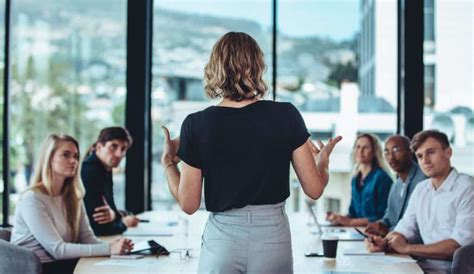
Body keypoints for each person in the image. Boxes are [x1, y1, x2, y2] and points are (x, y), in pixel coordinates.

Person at [161, 32, 341, 274]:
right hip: (272, 234)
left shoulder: (196, 124)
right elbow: (314, 189)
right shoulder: (286, 115)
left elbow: (189, 203)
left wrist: (168, 164)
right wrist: (323, 164)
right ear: (258, 66)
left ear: (215, 68)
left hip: (222, 238)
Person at [10, 134, 133, 274]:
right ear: (49, 158)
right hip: (38, 269)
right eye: (66, 155)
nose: (73, 161)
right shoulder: (32, 199)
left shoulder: (73, 197)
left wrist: (116, 247)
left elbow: (87, 238)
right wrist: (109, 249)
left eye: (76, 156)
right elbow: (57, 250)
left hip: (63, 265)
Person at [366, 130, 474, 274]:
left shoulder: (466, 188)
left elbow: (458, 246)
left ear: (448, 152)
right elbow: (403, 229)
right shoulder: (421, 189)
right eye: (420, 156)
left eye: (431, 152)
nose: (425, 161)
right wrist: (384, 242)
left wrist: (407, 248)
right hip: (418, 268)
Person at [82, 127, 140, 236]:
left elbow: (110, 210)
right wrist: (124, 223)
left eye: (123, 149)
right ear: (99, 146)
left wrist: (116, 215)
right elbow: (99, 226)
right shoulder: (90, 171)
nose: (119, 154)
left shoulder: (104, 169)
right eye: (113, 146)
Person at [365, 135, 427, 236]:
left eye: (396, 150)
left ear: (410, 151)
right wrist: (379, 225)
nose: (391, 157)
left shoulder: (423, 180)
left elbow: (417, 224)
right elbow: (388, 217)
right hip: (394, 241)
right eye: (387, 152)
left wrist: (388, 231)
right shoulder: (396, 186)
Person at [326, 133, 393, 226]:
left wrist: (350, 222)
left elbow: (382, 217)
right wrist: (338, 218)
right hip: (357, 232)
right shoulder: (355, 179)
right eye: (358, 147)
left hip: (375, 234)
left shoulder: (382, 178)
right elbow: (352, 213)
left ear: (374, 152)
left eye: (365, 147)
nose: (360, 151)